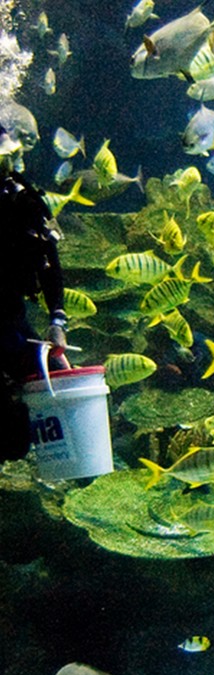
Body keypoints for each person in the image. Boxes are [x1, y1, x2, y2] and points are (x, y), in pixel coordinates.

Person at [0, 110, 70, 460]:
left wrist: (58, 320)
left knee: (58, 385)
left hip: (10, 320)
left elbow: (49, 261)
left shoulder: (25, 201)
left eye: (7, 158)